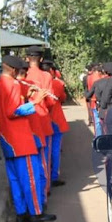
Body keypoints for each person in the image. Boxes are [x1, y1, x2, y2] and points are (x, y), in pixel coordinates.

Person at [0, 55, 57, 222]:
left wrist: (26, 96)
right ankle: (35, 213)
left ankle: (21, 214)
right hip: (20, 140)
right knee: (31, 178)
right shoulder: (12, 84)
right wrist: (35, 101)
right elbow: (13, 111)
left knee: (15, 180)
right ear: (13, 70)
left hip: (7, 139)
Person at [24, 46, 55, 194]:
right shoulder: (46, 76)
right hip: (43, 119)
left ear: (26, 58)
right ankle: (45, 190)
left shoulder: (22, 76)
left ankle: (33, 191)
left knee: (30, 160)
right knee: (44, 158)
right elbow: (51, 102)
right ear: (41, 59)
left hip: (26, 121)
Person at [41, 59, 69, 187]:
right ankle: (53, 176)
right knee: (55, 149)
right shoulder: (55, 83)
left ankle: (45, 178)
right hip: (55, 119)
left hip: (41, 119)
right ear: (51, 70)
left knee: (44, 149)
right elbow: (63, 97)